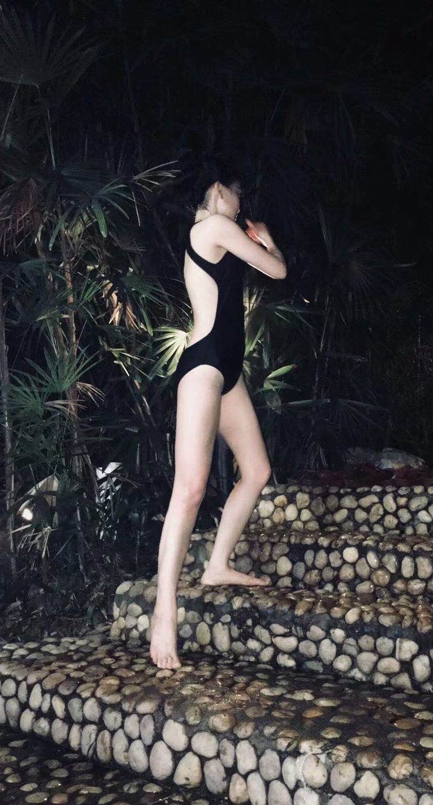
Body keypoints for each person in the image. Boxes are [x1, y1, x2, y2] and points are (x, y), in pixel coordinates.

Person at [150, 170, 287, 670]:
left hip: (228, 370)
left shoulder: (220, 235)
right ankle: (164, 612)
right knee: (189, 489)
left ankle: (217, 565)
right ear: (217, 190)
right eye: (236, 193)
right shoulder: (211, 227)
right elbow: (277, 271)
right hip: (204, 367)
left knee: (257, 471)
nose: (240, 201)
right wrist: (268, 241)